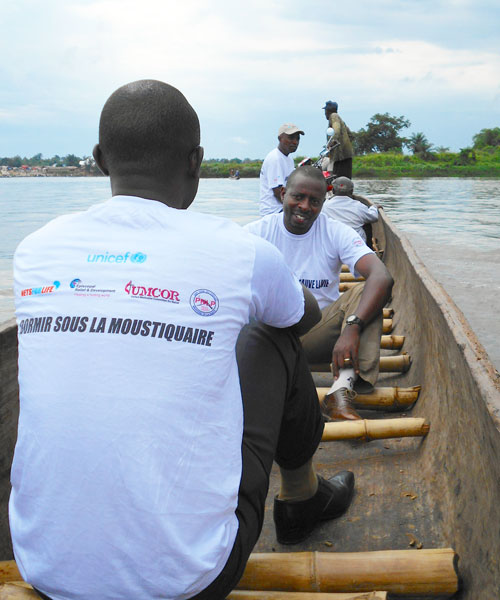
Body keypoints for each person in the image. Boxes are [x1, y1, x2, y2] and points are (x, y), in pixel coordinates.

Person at [10, 80, 355, 600]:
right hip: (189, 579)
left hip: (44, 566)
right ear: (196, 161)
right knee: (269, 336)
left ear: (101, 160)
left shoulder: (34, 251)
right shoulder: (238, 250)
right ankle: (303, 497)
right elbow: (301, 316)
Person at [245, 166, 394, 421]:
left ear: (324, 203)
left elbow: (382, 276)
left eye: (314, 201)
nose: (305, 206)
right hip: (269, 338)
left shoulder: (334, 231)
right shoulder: (256, 233)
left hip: (317, 334)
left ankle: (340, 392)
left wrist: (352, 328)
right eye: (298, 197)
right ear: (283, 194)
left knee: (368, 292)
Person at [259, 123, 304, 216]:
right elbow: (278, 192)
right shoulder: (275, 158)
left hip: (282, 209)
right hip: (273, 212)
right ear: (280, 138)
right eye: (291, 138)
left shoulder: (289, 158)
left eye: (297, 138)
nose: (295, 142)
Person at [323, 176, 379, 243]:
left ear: (333, 191)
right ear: (352, 191)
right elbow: (373, 217)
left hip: (332, 242)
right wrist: (374, 207)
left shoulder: (325, 205)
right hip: (355, 244)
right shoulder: (358, 206)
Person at [323, 101, 354, 178]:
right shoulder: (340, 119)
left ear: (328, 111)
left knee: (338, 180)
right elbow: (350, 135)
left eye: (325, 111)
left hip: (340, 157)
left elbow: (336, 129)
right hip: (346, 155)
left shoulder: (333, 116)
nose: (324, 113)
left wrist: (332, 142)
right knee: (345, 179)